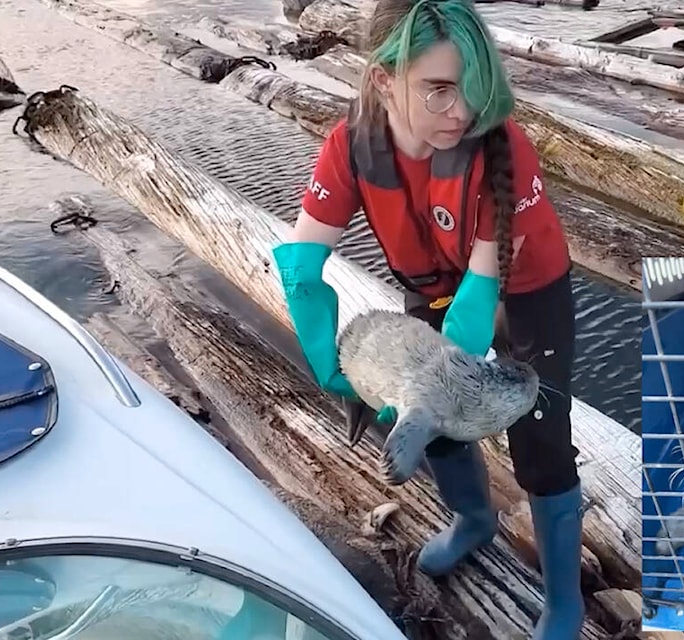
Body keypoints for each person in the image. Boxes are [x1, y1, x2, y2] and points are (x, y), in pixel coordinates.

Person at [271, 1, 584, 637]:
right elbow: (304, 265)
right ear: (384, 80)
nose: (461, 110)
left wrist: (428, 389)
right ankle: (474, 520)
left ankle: (564, 600)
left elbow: (478, 303)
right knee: (438, 430)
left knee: (540, 436)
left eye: (470, 88)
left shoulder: (502, 148)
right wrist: (328, 358)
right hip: (435, 286)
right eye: (437, 90)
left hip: (521, 289)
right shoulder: (352, 147)